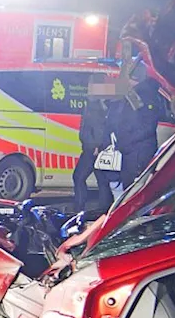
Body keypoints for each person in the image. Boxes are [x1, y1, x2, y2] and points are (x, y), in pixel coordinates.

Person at [103, 71, 168, 200]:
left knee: (136, 191)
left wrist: (127, 141)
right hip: (131, 151)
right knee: (129, 189)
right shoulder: (134, 94)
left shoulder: (144, 94)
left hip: (138, 151)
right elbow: (124, 118)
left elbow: (147, 125)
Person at [71, 84, 113, 215]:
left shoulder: (95, 106)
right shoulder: (95, 104)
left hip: (92, 149)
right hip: (93, 147)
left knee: (79, 177)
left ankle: (80, 208)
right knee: (102, 180)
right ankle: (105, 210)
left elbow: (98, 127)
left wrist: (96, 146)